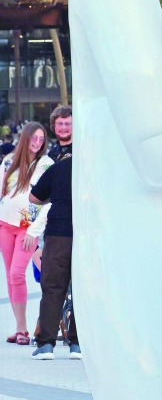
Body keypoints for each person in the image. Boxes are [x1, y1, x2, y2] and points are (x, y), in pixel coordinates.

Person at [29, 122, 79, 359]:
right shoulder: (99, 169)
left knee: (53, 289)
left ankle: (46, 345)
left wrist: (56, 197)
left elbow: (34, 197)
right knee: (83, 290)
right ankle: (78, 344)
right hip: (89, 234)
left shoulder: (59, 167)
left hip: (59, 234)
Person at [0, 122, 51, 345]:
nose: (37, 142)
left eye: (41, 138)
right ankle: (19, 327)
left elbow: (49, 201)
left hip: (28, 228)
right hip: (5, 225)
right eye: (34, 138)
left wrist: (34, 229)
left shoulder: (46, 164)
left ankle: (22, 330)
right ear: (25, 138)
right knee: (10, 276)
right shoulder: (9, 161)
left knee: (17, 274)